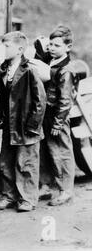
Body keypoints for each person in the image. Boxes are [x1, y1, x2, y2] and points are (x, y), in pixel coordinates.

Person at [0, 31, 47, 212]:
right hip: (9, 124)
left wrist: (33, 125)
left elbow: (40, 100)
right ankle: (10, 195)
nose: (3, 49)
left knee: (26, 163)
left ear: (20, 49)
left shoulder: (29, 70)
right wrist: (0, 69)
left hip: (26, 125)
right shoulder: (4, 69)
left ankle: (27, 198)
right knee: (6, 161)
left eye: (7, 46)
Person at [38, 26, 79, 206]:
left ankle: (65, 190)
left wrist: (57, 123)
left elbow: (65, 100)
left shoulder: (66, 70)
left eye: (56, 45)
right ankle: (46, 186)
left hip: (57, 117)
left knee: (61, 153)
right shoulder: (49, 61)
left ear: (68, 47)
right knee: (45, 151)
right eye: (50, 44)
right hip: (45, 114)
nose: (52, 48)